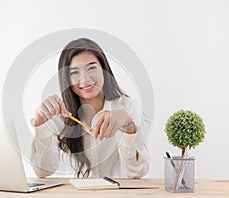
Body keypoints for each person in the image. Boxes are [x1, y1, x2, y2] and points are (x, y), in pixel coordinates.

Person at [30, 38, 150, 178]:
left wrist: (128, 125)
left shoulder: (128, 107)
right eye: (74, 72)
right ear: (66, 78)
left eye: (91, 68)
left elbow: (138, 172)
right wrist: (40, 122)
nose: (85, 79)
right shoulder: (59, 112)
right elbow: (42, 171)